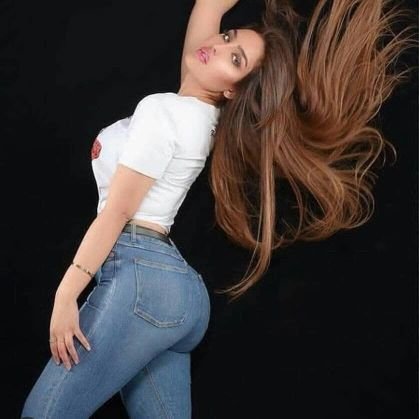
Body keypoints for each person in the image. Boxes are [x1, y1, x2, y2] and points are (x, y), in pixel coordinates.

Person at [21, 0, 417, 417]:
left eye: (235, 58)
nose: (217, 45)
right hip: (180, 297)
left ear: (233, 90)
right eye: (227, 37)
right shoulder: (202, 117)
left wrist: (67, 293)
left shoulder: (164, 110)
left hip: (140, 281)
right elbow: (209, 9)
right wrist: (219, 33)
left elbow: (117, 213)